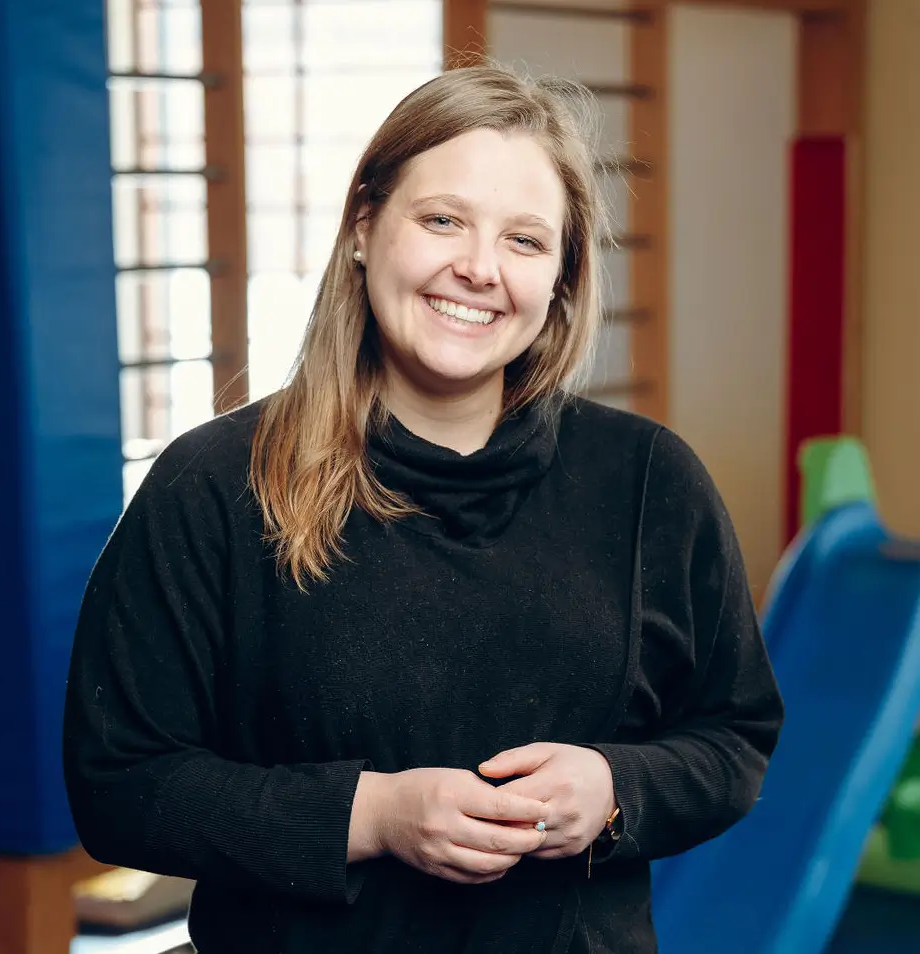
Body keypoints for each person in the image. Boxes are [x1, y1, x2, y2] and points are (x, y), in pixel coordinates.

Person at [63, 65, 783, 954]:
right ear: (365, 227)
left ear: (561, 276)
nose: (478, 268)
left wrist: (614, 788)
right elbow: (119, 785)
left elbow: (734, 736)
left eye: (524, 240)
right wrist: (372, 815)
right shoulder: (214, 484)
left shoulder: (649, 481)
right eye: (443, 220)